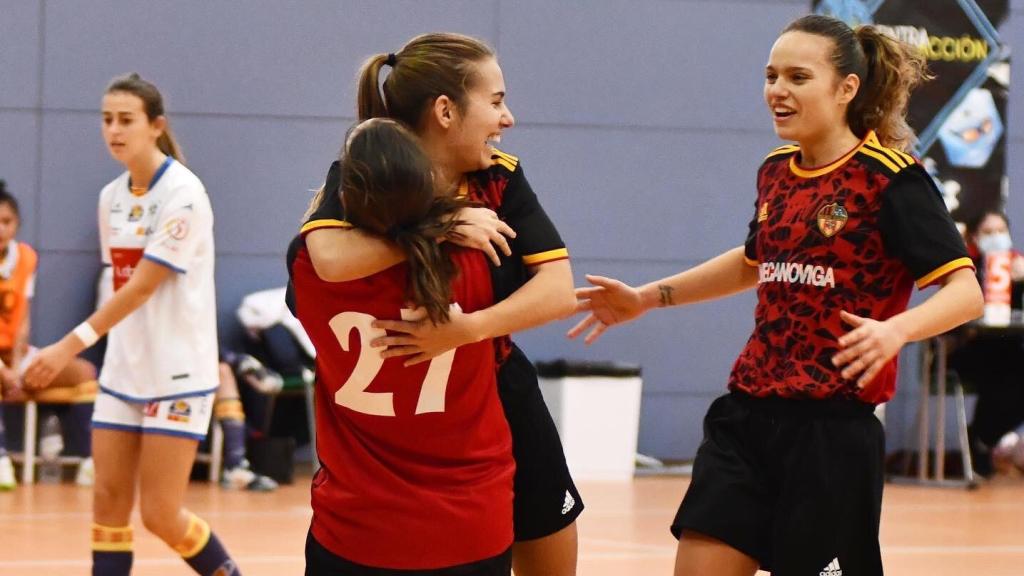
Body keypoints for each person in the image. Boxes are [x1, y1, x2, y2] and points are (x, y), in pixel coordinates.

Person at [568, 14, 983, 576]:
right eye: (771, 76)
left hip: (832, 433)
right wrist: (645, 298)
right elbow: (752, 262)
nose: (777, 91)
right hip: (746, 418)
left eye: (797, 77)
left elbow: (965, 292)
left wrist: (896, 330)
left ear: (846, 88)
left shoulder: (891, 179)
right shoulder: (776, 171)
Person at [294, 33, 580, 576]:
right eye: (496, 101)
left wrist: (467, 329)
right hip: (409, 412)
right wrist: (441, 225)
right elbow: (327, 258)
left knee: (549, 536)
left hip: (491, 377)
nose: (508, 118)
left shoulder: (499, 177)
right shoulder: (361, 178)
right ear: (445, 111)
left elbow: (559, 289)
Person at [23, 73, 240, 576]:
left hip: (177, 374)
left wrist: (66, 347)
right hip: (124, 370)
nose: (114, 130)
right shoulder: (111, 197)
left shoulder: (184, 194)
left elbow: (142, 287)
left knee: (160, 514)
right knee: (107, 505)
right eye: (106, 120)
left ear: (155, 126)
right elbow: (116, 282)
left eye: (126, 120)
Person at [290, 117, 515, 574]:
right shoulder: (473, 260)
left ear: (344, 199)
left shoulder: (309, 266)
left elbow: (322, 248)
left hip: (356, 529)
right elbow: (551, 295)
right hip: (471, 523)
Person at [0, 180, 97, 489]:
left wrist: (16, 368)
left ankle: (88, 461)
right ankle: (1, 459)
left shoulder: (25, 258)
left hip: (15, 356)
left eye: (6, 221)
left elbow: (23, 319)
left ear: (17, 224)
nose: (1, 229)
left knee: (84, 373)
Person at [950, 210, 1024, 476]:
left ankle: (985, 438)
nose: (996, 237)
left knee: (1012, 369)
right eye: (989, 232)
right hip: (971, 350)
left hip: (1011, 348)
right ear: (975, 237)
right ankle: (985, 438)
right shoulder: (964, 268)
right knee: (1006, 373)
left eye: (1001, 231)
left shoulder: (1017, 264)